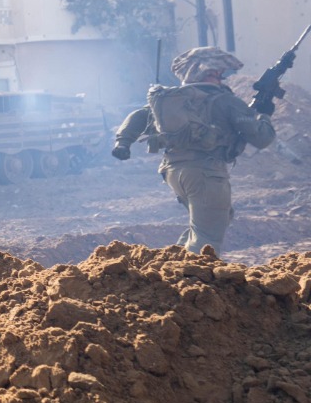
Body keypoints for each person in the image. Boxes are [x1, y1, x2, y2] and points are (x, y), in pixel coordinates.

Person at [111, 46, 275, 254]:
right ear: (211, 72)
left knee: (210, 222)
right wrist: (265, 114)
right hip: (205, 173)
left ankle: (173, 260)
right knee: (208, 237)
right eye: (219, 73)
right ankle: (188, 279)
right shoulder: (225, 101)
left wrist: (123, 142)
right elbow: (262, 138)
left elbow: (138, 116)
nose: (221, 78)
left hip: (174, 171)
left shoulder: (173, 100)